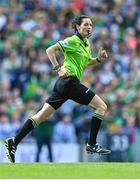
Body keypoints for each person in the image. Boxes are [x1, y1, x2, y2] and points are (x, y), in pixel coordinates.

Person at [5, 15, 111, 163]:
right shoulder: (73, 40)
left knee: (40, 116)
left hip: (64, 85)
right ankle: (91, 144)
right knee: (101, 106)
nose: (89, 27)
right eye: (86, 24)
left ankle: (14, 142)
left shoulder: (85, 43)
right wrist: (58, 68)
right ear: (78, 27)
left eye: (91, 25)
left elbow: (86, 62)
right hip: (69, 82)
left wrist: (99, 59)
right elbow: (50, 50)